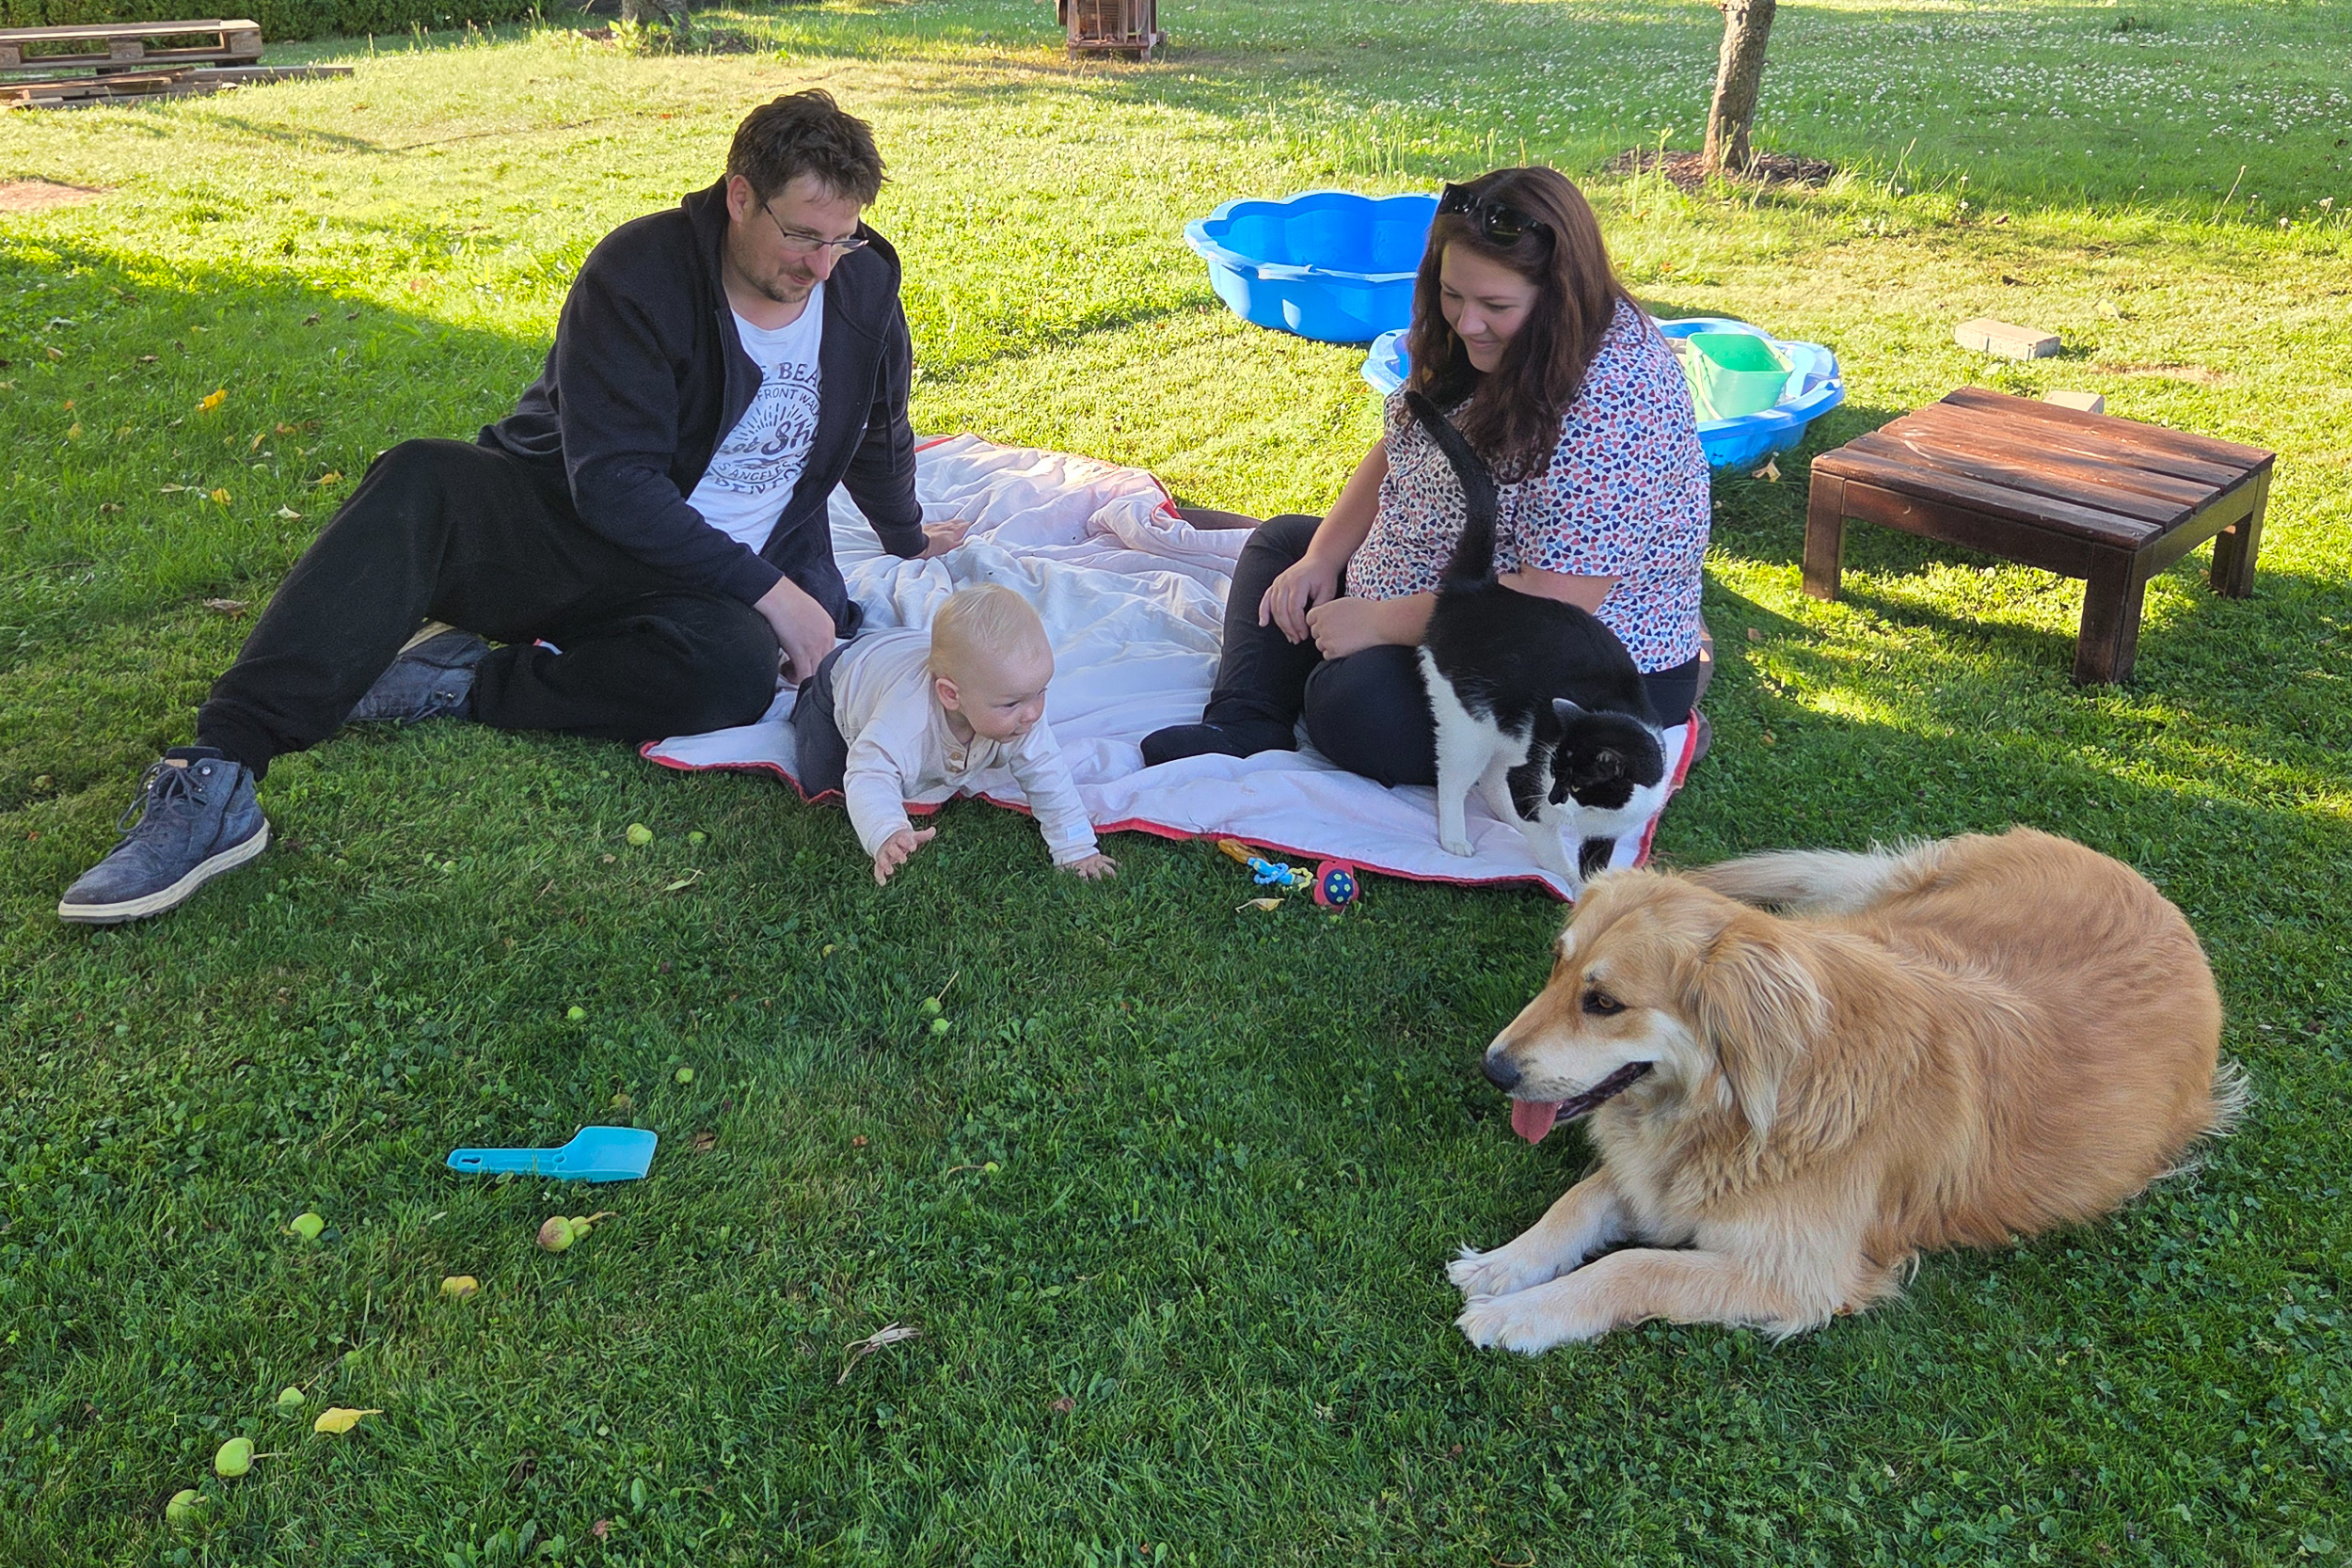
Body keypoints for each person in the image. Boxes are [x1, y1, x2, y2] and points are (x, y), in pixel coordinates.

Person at [59, 90, 968, 925]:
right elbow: (612, 483)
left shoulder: (861, 286)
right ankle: (219, 770)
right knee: (420, 476)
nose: (821, 264)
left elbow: (877, 425)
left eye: (842, 238)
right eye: (802, 234)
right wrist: (773, 592)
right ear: (739, 197)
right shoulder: (641, 273)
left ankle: (459, 683)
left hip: (698, 589)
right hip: (571, 530)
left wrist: (904, 534)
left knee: (730, 671)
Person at [1143, 167, 1712, 786]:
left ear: (1558, 295)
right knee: (1285, 546)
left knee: (1355, 704)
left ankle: (1325, 678)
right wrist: (1324, 559)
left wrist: (1378, 623)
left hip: (1566, 665)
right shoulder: (1492, 341)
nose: (1467, 323)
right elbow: (1402, 443)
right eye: (1451, 293)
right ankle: (1244, 721)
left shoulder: (1614, 401)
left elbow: (1555, 601)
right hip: (1453, 593)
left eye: (1495, 306)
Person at [790, 585, 1117, 886]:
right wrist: (888, 830)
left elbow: (1049, 777)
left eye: (1041, 692)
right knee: (826, 779)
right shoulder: (905, 719)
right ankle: (806, 697)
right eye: (1011, 703)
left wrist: (1076, 848)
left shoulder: (1018, 709)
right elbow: (870, 775)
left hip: (908, 653)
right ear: (950, 695)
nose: (1032, 713)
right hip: (848, 672)